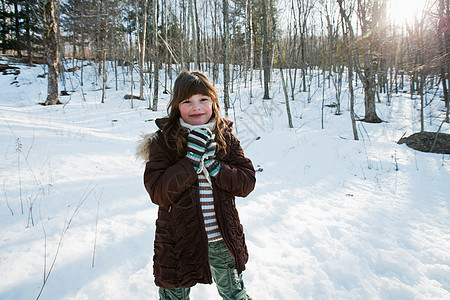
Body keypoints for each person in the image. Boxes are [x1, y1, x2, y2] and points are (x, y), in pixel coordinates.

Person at [137, 70, 256, 300]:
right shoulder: (164, 141)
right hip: (178, 242)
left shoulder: (224, 137)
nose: (196, 107)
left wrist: (215, 167)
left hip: (222, 240)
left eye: (203, 99)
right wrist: (190, 161)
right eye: (187, 101)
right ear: (176, 106)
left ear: (213, 101)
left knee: (235, 295)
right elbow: (158, 192)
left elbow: (247, 182)